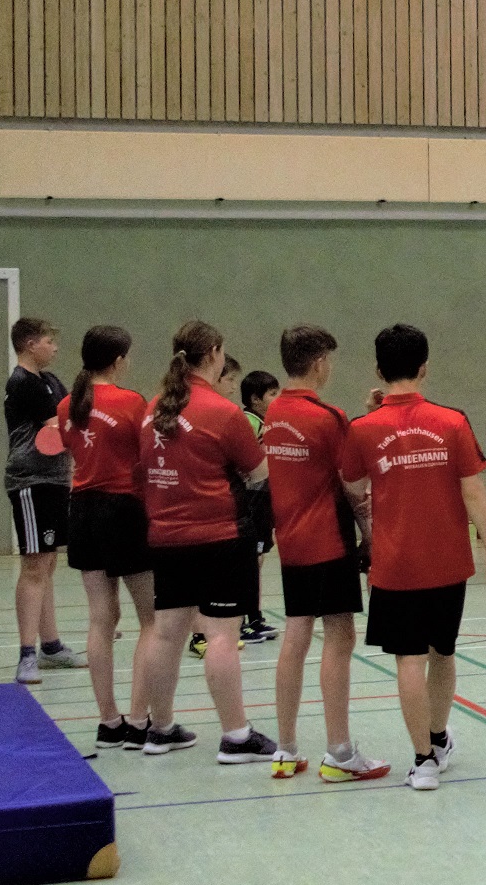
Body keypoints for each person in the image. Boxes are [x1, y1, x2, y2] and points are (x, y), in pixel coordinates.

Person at [340, 322, 486, 791]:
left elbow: (352, 483)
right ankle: (437, 739)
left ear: (379, 370)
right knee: (443, 652)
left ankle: (423, 762)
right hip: (447, 562)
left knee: (408, 660)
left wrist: (372, 425)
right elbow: (474, 491)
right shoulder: (452, 422)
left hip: (394, 564)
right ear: (425, 368)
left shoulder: (362, 429)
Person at [129, 321, 274, 761]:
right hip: (219, 537)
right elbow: (259, 472)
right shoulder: (222, 411)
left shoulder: (153, 408)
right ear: (213, 354)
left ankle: (160, 729)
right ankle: (236, 736)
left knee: (166, 634)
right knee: (221, 635)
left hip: (165, 537)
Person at [257, 326, 384, 782]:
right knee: (340, 637)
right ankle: (340, 751)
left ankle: (286, 750)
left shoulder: (273, 412)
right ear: (318, 364)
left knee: (296, 636)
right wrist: (370, 535)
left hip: (291, 541)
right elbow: (352, 483)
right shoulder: (328, 416)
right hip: (328, 539)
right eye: (328, 360)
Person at [57, 327, 157, 746]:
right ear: (118, 361)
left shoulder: (67, 404)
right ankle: (138, 720)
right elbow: (147, 455)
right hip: (123, 510)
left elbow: (73, 450)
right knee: (151, 620)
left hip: (82, 511)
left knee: (101, 618)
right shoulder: (131, 401)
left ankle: (108, 722)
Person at [1, 316, 82, 686]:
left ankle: (50, 647)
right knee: (34, 565)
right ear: (30, 344)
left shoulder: (49, 380)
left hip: (54, 479)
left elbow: (69, 417)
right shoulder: (23, 383)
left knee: (47, 563)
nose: (55, 347)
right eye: (49, 341)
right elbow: (59, 427)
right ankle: (26, 654)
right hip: (31, 482)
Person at [236, 367, 282, 645]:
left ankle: (254, 617)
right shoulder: (249, 422)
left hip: (265, 500)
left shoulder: (268, 423)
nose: (277, 399)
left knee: (258, 560)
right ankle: (240, 622)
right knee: (249, 562)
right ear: (255, 399)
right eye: (272, 394)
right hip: (251, 500)